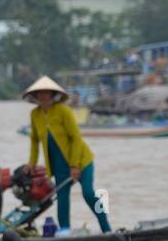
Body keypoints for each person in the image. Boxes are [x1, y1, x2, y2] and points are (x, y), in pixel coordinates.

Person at [23, 76, 110, 232]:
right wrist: (31, 163)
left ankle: (106, 228)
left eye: (46, 93)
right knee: (62, 197)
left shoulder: (63, 111)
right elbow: (35, 141)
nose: (43, 96)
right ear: (35, 96)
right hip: (59, 164)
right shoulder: (35, 114)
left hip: (82, 160)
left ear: (52, 94)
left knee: (88, 193)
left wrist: (75, 165)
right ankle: (64, 231)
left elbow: (76, 138)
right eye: (40, 93)